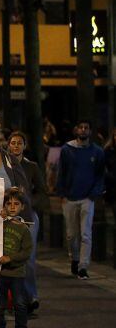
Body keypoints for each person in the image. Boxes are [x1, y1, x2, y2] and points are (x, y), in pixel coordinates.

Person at [56, 119, 105, 280]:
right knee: (71, 234)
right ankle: (74, 258)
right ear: (76, 130)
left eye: (86, 128)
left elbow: (100, 174)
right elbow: (61, 172)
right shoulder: (67, 149)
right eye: (81, 127)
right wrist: (61, 193)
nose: (83, 130)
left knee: (86, 234)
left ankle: (83, 266)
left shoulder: (97, 152)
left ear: (90, 131)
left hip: (87, 198)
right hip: (69, 198)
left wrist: (94, 193)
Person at [7, 131, 49, 313]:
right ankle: (11, 299)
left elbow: (42, 191)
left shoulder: (31, 167)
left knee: (28, 259)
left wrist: (30, 205)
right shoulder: (3, 165)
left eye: (19, 143)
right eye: (13, 143)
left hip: (28, 218)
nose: (16, 146)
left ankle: (30, 296)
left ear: (25, 146)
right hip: (6, 218)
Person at [0, 187, 33, 328]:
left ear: (22, 207)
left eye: (16, 204)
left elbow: (26, 252)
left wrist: (10, 258)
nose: (12, 207)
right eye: (8, 203)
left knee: (20, 304)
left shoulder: (24, 228)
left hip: (17, 273)